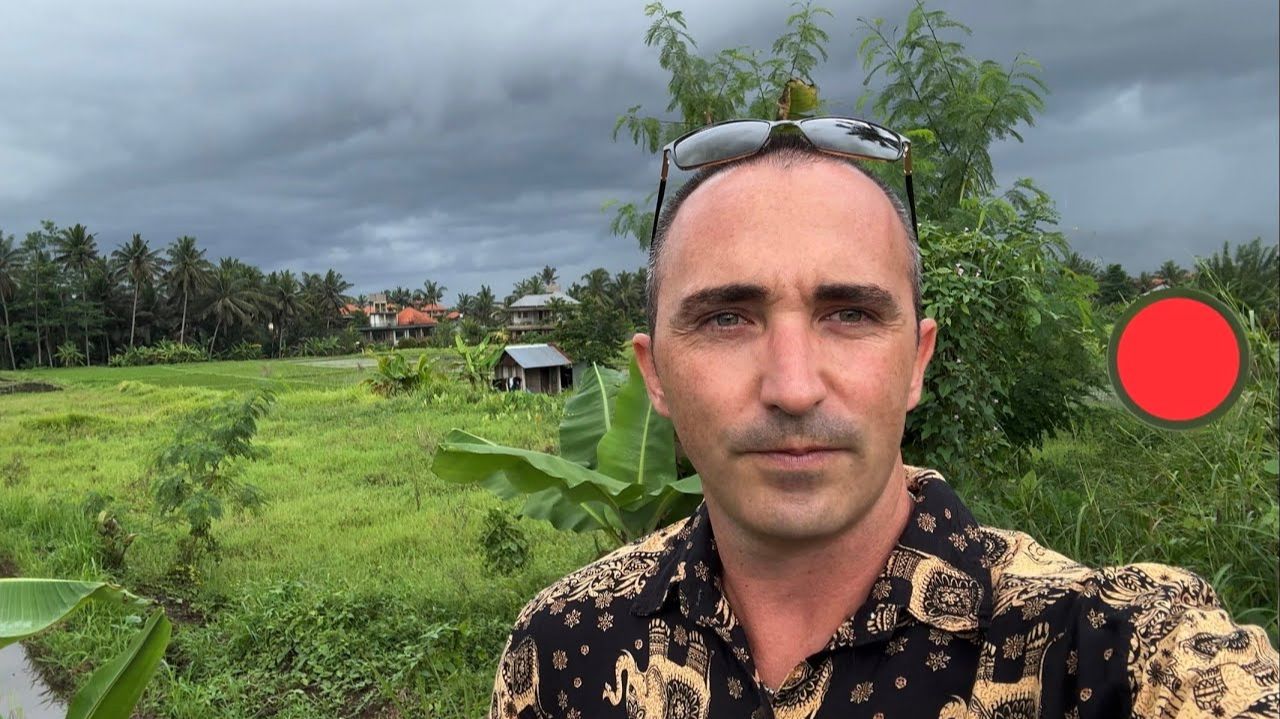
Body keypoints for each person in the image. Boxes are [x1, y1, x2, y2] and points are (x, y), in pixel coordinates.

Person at [488, 120, 1278, 719]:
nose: (793, 387)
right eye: (727, 318)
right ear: (655, 373)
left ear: (917, 362)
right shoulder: (564, 647)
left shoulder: (1103, 648)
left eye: (850, 314)